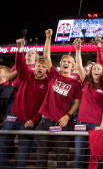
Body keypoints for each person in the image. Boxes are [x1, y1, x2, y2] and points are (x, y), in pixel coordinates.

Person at [35, 29, 82, 168]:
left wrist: (68, 116)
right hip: (44, 121)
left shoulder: (75, 83)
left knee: (61, 158)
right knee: (41, 158)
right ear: (60, 65)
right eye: (63, 61)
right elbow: (47, 57)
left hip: (61, 122)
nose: (66, 62)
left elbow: (77, 102)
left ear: (72, 66)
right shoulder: (54, 75)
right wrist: (48, 38)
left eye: (68, 61)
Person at [0, 38, 48, 169]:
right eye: (39, 66)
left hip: (28, 120)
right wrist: (20, 47)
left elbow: (44, 106)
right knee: (3, 142)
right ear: (35, 66)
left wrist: (33, 120)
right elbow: (20, 64)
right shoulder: (27, 75)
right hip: (13, 113)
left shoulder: (47, 84)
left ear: (46, 70)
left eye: (43, 67)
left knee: (23, 151)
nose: (40, 68)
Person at [73, 38, 103, 168]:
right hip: (81, 122)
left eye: (99, 68)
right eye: (94, 68)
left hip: (95, 124)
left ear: (102, 72)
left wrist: (102, 125)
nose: (96, 70)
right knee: (78, 154)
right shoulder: (85, 82)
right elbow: (78, 66)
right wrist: (78, 50)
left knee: (95, 154)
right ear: (91, 71)